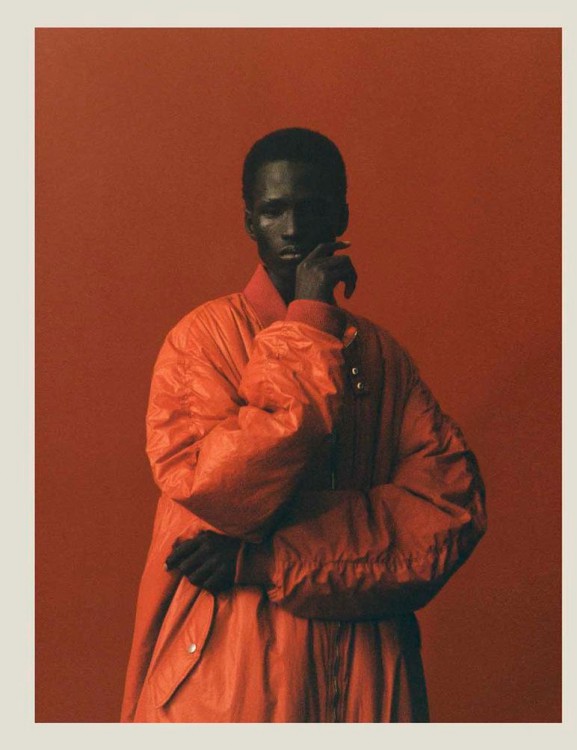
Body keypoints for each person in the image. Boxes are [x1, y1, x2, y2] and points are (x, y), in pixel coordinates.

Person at [121, 127, 487, 723]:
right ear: (249, 221)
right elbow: (225, 492)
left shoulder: (383, 357)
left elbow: (446, 516)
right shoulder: (200, 340)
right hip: (232, 679)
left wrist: (267, 561)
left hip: (370, 679)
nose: (292, 229)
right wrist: (310, 326)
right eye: (274, 211)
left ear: (341, 216)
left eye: (311, 208)